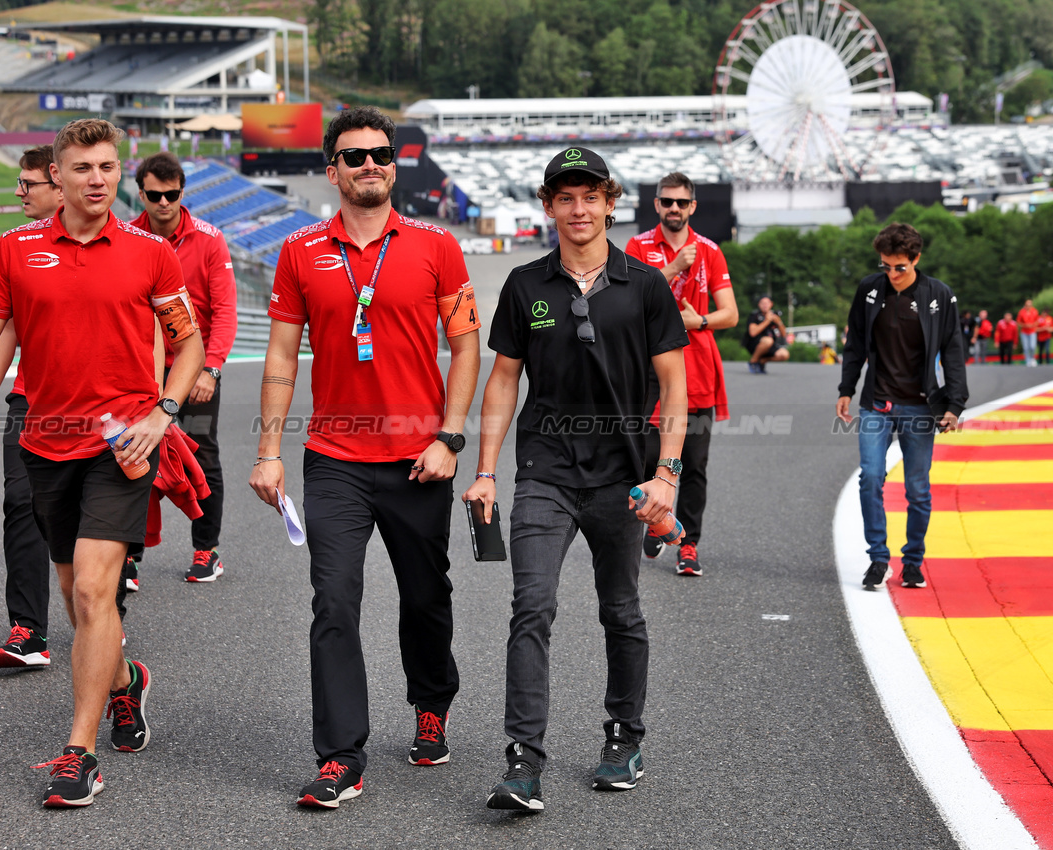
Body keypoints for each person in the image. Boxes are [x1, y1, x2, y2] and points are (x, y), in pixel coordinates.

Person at [0, 118, 204, 807]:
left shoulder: (150, 252)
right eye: (82, 167)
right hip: (44, 443)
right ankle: (124, 682)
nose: (97, 179)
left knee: (94, 592)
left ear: (119, 173)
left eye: (107, 167)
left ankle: (78, 752)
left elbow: (189, 345)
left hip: (123, 444)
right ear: (56, 175)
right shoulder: (16, 248)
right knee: (73, 595)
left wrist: (162, 414)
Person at [249, 106, 481, 809]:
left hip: (419, 458)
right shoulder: (298, 252)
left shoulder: (437, 246)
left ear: (393, 162)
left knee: (424, 598)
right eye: (355, 156)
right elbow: (282, 356)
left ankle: (431, 702)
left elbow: (466, 345)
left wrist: (449, 438)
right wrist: (268, 450)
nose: (370, 164)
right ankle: (340, 756)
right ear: (332, 170)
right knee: (334, 603)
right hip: (334, 457)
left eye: (381, 153)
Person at [463, 146, 688, 813]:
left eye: (590, 196)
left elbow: (674, 386)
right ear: (548, 206)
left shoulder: (644, 286)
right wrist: (484, 473)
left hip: (624, 475)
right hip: (545, 471)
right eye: (565, 197)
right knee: (531, 604)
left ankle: (623, 736)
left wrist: (666, 478)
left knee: (619, 608)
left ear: (610, 201)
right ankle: (522, 760)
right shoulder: (524, 285)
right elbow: (503, 380)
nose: (578, 208)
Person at [0, 145, 64, 669]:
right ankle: (29, 631)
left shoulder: (130, 242)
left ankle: (104, 618)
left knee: (84, 523)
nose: (20, 193)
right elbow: (2, 329)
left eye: (28, 184)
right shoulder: (13, 247)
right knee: (22, 506)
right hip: (32, 402)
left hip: (106, 409)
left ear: (56, 181)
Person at [835, 222, 968, 592]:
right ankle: (879, 559)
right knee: (871, 478)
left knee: (918, 490)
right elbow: (855, 343)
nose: (892, 274)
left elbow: (954, 352)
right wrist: (846, 388)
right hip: (877, 404)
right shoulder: (869, 290)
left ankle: (912, 562)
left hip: (920, 408)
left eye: (900, 267)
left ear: (916, 259)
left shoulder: (938, 295)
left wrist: (955, 403)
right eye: (885, 266)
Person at [131, 151, 237, 584]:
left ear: (181, 192)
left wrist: (211, 369)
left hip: (194, 371)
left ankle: (206, 549)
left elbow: (226, 310)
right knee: (131, 457)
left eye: (170, 194)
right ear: (140, 193)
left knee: (202, 457)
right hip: (140, 368)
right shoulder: (125, 236)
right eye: (154, 195)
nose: (162, 203)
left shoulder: (210, 240)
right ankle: (128, 555)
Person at [625, 171, 739, 577]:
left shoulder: (709, 250)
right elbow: (625, 304)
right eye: (667, 201)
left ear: (692, 207)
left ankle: (689, 545)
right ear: (656, 205)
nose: (674, 208)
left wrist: (699, 320)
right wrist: (672, 269)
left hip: (698, 368)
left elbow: (730, 313)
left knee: (694, 462)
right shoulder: (636, 247)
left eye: (682, 202)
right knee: (647, 456)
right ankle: (657, 518)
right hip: (647, 368)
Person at [744, 295, 789, 373]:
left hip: (770, 345)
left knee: (784, 354)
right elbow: (753, 333)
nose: (765, 305)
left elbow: (784, 334)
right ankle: (753, 361)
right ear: (759, 304)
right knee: (768, 340)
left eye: (767, 303)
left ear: (771, 304)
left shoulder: (774, 316)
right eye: (762, 303)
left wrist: (779, 322)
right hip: (755, 344)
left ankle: (761, 361)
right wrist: (767, 321)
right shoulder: (755, 316)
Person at [1017, 299, 1040, 366]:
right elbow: (1018, 322)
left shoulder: (1035, 311)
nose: (1028, 307)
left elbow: (1037, 321)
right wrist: (1025, 325)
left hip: (1032, 331)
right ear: (1025, 305)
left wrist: (1032, 325)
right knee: (1026, 347)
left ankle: (1032, 358)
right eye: (1027, 305)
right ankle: (1028, 360)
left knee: (1032, 346)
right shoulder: (1021, 312)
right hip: (1024, 332)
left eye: (1030, 305)